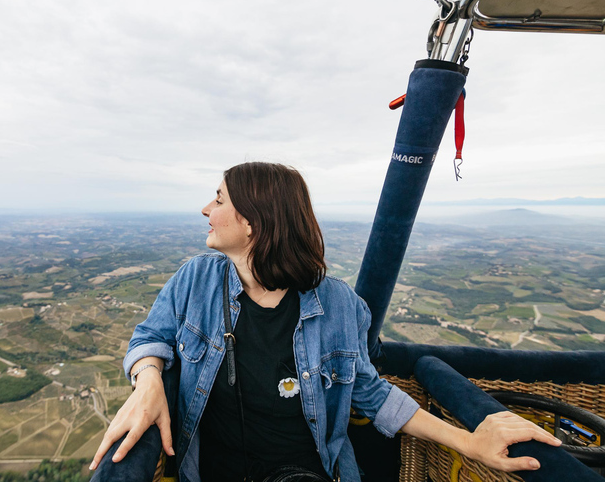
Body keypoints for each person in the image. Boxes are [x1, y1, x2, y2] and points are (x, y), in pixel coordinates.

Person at [90, 162, 560, 482]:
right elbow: (150, 338)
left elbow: (371, 393)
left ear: (253, 222)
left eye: (218, 199)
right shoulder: (196, 280)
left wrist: (470, 441)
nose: (206, 210)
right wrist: (149, 379)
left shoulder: (337, 305)